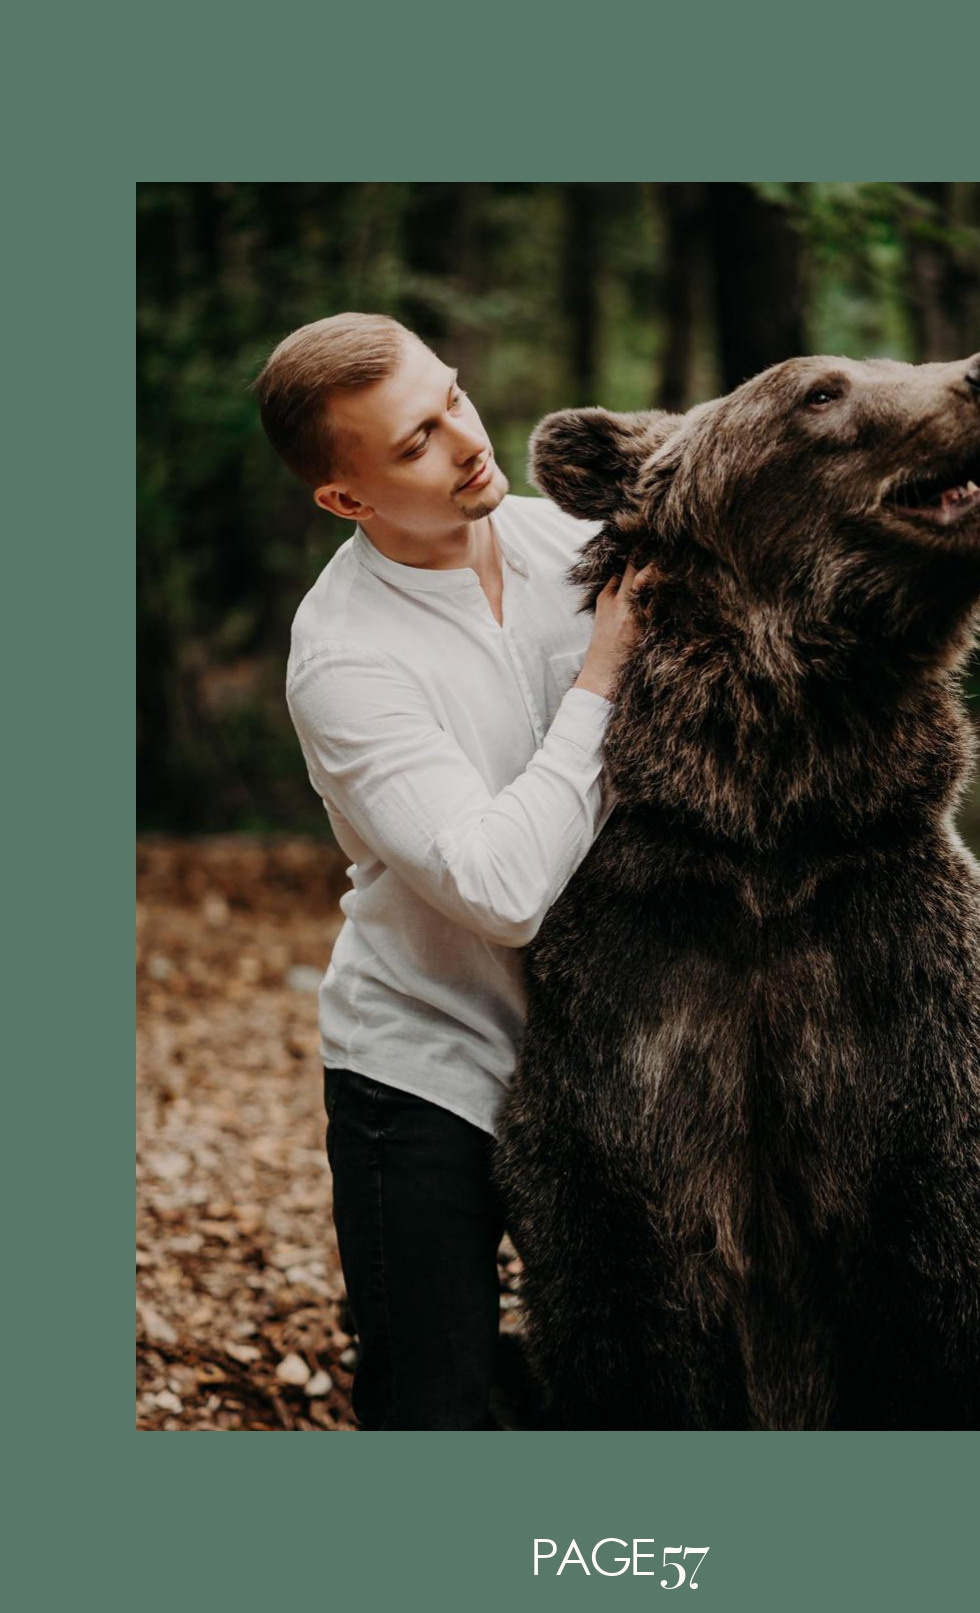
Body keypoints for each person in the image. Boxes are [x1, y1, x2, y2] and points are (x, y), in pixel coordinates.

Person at [254, 312, 646, 1429]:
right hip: (426, 1065)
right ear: (345, 497)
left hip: (611, 1057)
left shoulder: (567, 547)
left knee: (637, 1386)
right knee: (433, 1404)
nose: (467, 440)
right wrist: (603, 672)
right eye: (415, 440)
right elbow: (498, 890)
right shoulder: (343, 659)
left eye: (454, 398)